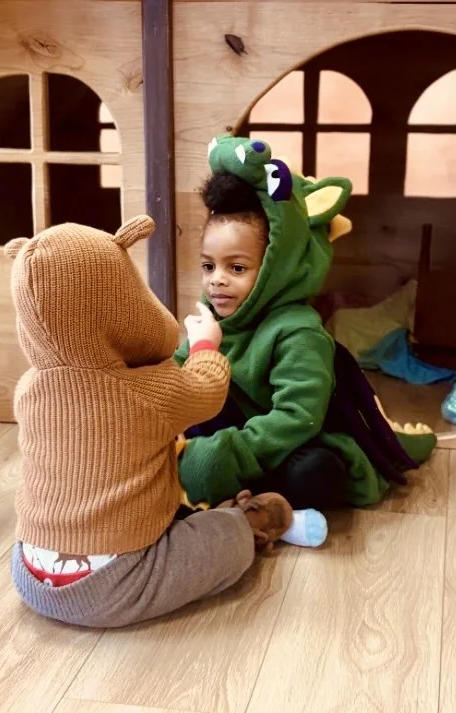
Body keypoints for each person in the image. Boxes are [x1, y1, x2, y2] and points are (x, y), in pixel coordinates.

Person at [6, 216, 292, 628]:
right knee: (222, 544)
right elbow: (209, 389)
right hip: (114, 584)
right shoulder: (145, 392)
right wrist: (206, 345)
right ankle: (245, 525)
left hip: (29, 573)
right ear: (120, 305)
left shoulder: (28, 390)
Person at [177, 136, 436, 517]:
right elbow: (179, 380)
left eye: (237, 268)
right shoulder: (212, 319)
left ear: (273, 270)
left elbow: (298, 417)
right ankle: (236, 490)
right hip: (240, 433)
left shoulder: (298, 332)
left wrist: (227, 456)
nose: (217, 280)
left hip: (289, 439)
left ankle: (268, 505)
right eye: (208, 266)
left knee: (314, 472)